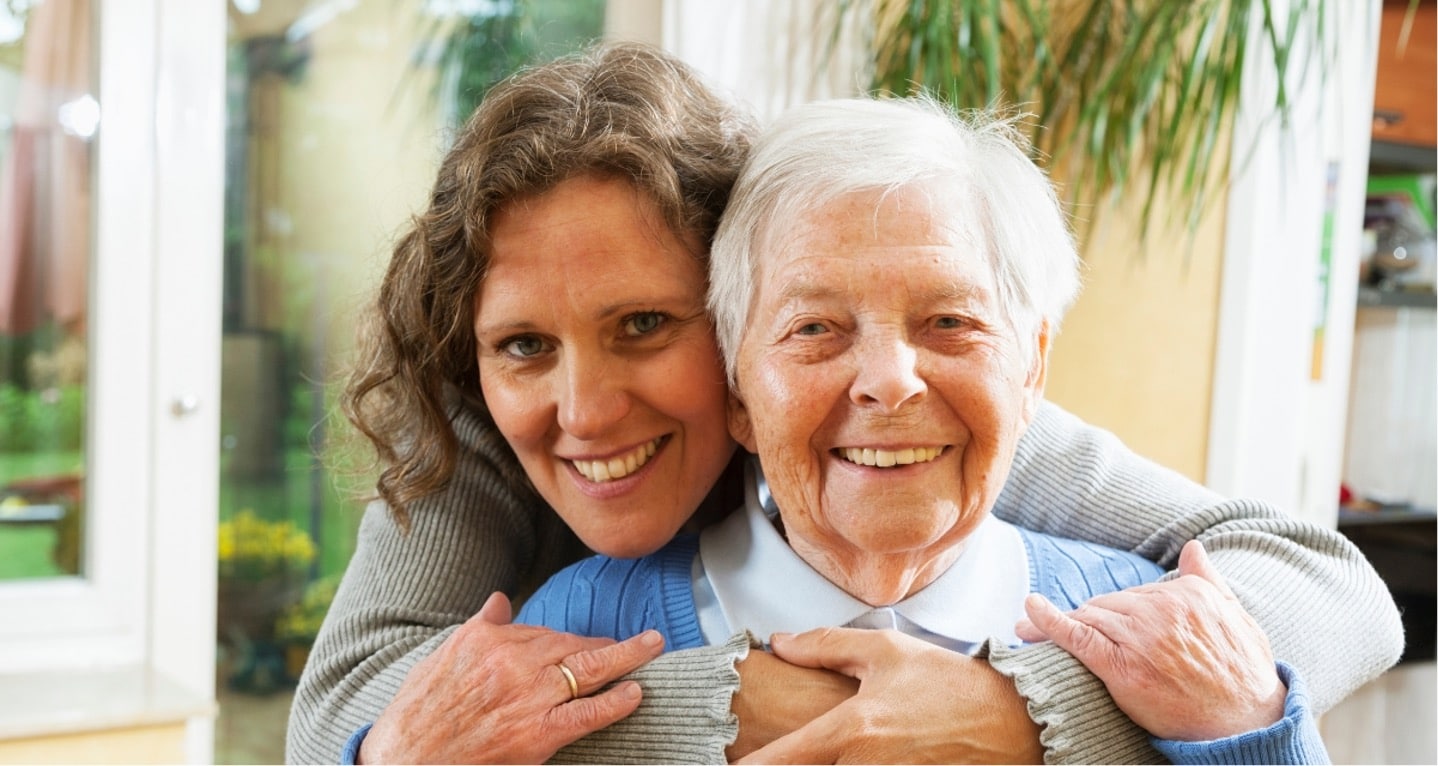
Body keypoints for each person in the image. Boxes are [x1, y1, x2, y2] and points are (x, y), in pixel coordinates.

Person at [287, 41, 1402, 765]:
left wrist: (1014, 711)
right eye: (524, 343)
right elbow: (351, 727)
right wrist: (742, 708)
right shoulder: (477, 438)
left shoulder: (930, 419)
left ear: (729, 336)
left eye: (643, 325)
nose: (585, 407)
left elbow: (1330, 589)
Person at [515, 96, 1329, 764]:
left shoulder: (1153, 633)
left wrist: (1247, 726)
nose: (889, 381)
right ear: (736, 393)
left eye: (949, 320)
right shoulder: (577, 630)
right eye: (814, 329)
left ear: (1032, 367)